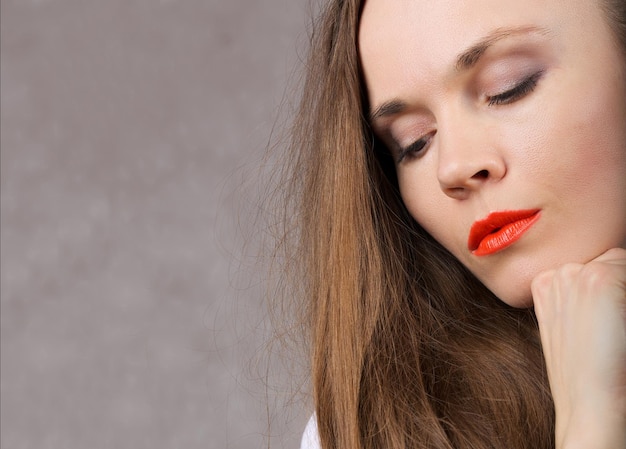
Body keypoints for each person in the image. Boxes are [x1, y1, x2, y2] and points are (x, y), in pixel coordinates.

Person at [273, 0, 626, 447]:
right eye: (414, 142)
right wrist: (592, 420)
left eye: (508, 88)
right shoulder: (371, 431)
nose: (452, 168)